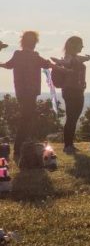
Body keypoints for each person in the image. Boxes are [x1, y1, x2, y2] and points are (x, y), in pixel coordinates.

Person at [0, 31, 54, 159]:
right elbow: (47, 64)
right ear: (34, 43)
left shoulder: (19, 54)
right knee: (27, 119)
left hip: (22, 91)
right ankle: (19, 148)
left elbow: (8, 65)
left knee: (27, 118)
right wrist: (64, 69)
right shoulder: (33, 55)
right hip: (29, 91)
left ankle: (23, 146)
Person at [50, 35, 90, 152]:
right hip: (70, 90)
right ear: (74, 45)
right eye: (80, 44)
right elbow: (67, 63)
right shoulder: (69, 58)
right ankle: (68, 145)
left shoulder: (75, 57)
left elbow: (79, 60)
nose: (82, 46)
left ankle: (70, 144)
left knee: (73, 118)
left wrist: (87, 58)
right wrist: (58, 61)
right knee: (72, 118)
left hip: (78, 90)